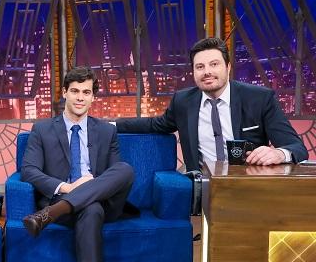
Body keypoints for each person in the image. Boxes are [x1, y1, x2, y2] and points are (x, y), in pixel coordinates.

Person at [21, 66, 141, 262]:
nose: (80, 98)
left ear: (93, 97)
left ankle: (47, 215)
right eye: (74, 91)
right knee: (91, 209)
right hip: (71, 202)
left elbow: (114, 176)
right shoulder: (42, 130)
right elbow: (28, 170)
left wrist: (89, 184)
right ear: (64, 93)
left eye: (86, 92)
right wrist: (67, 187)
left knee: (125, 169)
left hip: (100, 202)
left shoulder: (105, 131)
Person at [116, 37, 307, 171]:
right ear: (193, 72)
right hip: (203, 186)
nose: (207, 72)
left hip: (248, 182)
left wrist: (280, 154)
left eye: (214, 64)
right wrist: (110, 125)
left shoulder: (259, 98)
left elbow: (296, 147)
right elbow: (155, 124)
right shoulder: (183, 101)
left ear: (228, 67)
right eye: (200, 67)